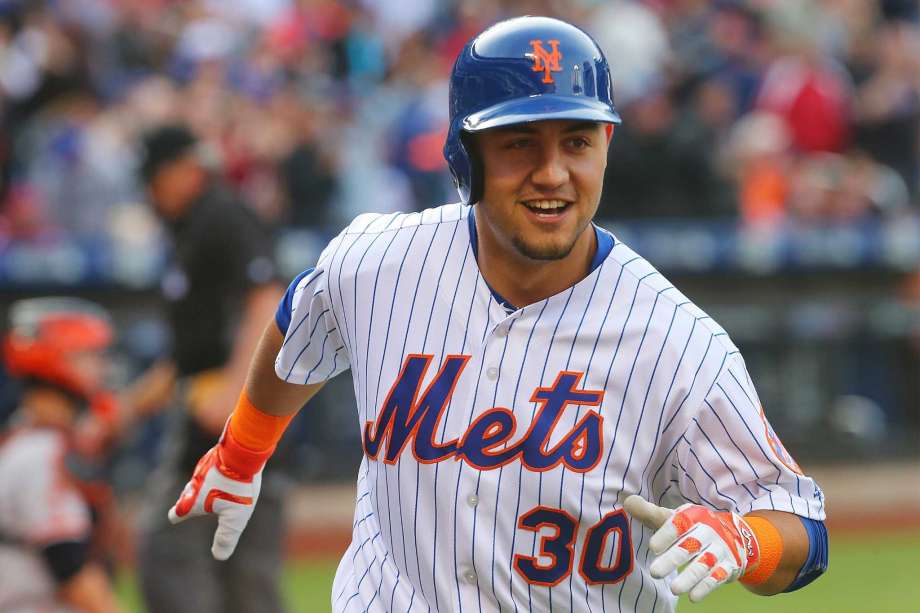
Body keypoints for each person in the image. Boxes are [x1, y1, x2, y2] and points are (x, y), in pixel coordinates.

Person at [168, 16, 828, 612]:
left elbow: (802, 526)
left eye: (576, 142)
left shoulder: (677, 342)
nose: (553, 173)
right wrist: (240, 451)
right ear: (465, 155)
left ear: (605, 147)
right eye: (519, 144)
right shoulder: (375, 263)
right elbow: (297, 326)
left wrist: (746, 540)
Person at [134, 123, 286, 613]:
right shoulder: (191, 227)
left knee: (177, 552)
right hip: (215, 422)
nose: (150, 194)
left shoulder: (221, 213)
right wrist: (123, 410)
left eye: (154, 179)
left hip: (234, 430)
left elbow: (269, 300)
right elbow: (185, 356)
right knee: (235, 578)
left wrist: (236, 393)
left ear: (179, 171)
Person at [0, 298, 123, 613]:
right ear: (59, 359)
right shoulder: (41, 453)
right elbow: (73, 574)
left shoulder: (27, 439)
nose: (102, 367)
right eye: (91, 355)